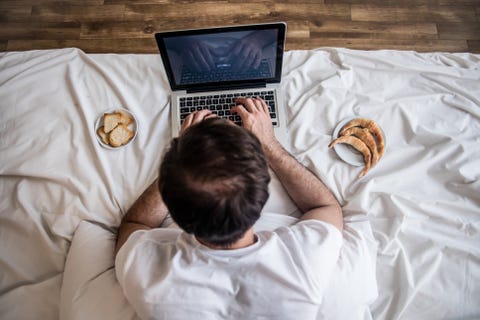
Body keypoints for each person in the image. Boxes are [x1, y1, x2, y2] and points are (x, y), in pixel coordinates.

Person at [115, 97, 344, 319]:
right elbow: (325, 206)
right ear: (263, 197)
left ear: (174, 213)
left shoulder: (148, 283)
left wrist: (184, 161)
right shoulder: (305, 265)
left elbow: (136, 224)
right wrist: (269, 144)